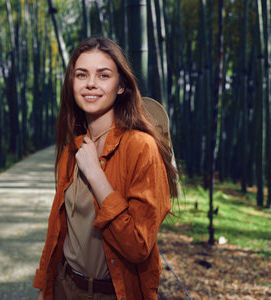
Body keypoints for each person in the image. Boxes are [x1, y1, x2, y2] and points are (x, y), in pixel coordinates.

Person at [33, 37, 178, 300]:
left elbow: (138, 246)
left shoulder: (141, 147)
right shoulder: (71, 151)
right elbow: (59, 231)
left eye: (103, 75)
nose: (91, 83)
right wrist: (47, 285)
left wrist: (96, 176)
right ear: (72, 83)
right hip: (65, 286)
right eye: (81, 74)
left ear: (121, 86)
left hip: (114, 293)